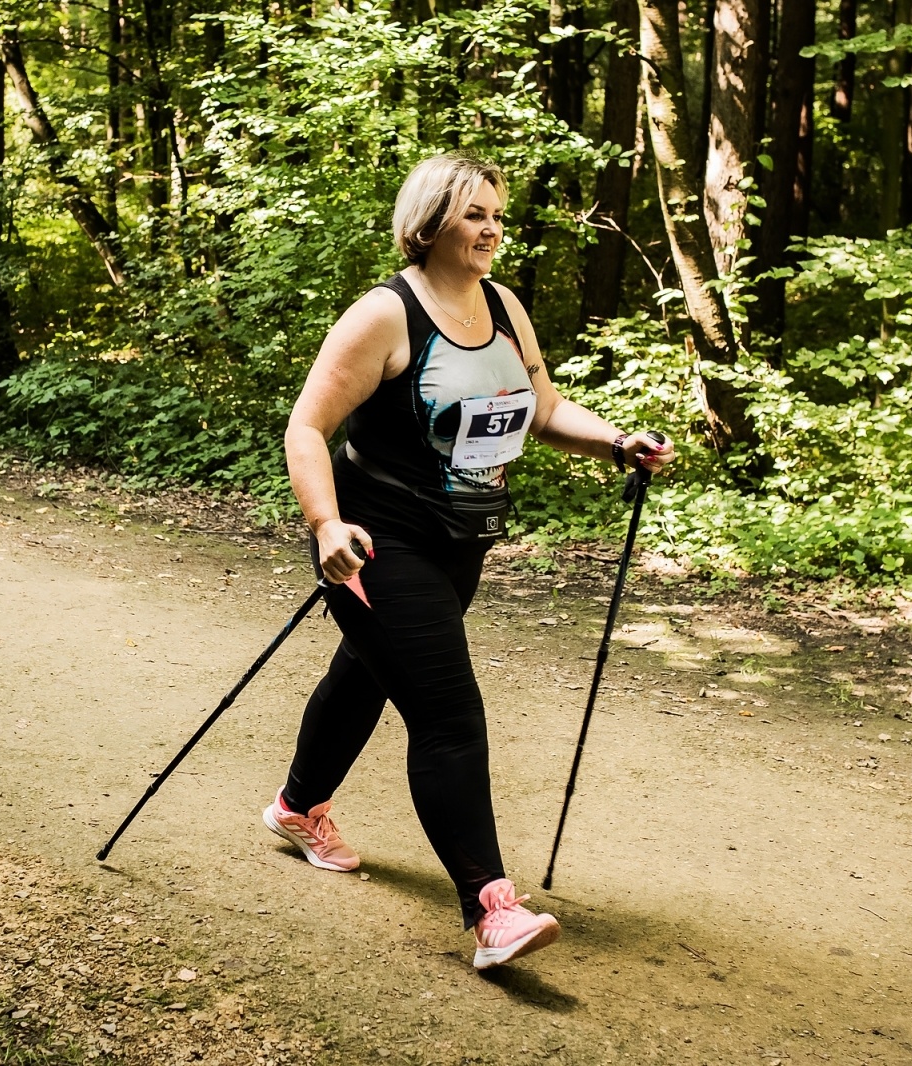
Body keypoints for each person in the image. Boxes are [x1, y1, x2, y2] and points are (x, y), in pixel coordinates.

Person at [263, 152, 675, 969]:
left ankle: (297, 805)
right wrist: (324, 526)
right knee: (448, 714)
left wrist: (615, 442)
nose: (492, 229)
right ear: (430, 222)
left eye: (497, 215)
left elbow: (545, 409)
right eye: (475, 214)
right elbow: (306, 428)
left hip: (461, 539)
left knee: (371, 671)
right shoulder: (384, 315)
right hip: (375, 542)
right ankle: (492, 908)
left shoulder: (503, 306)